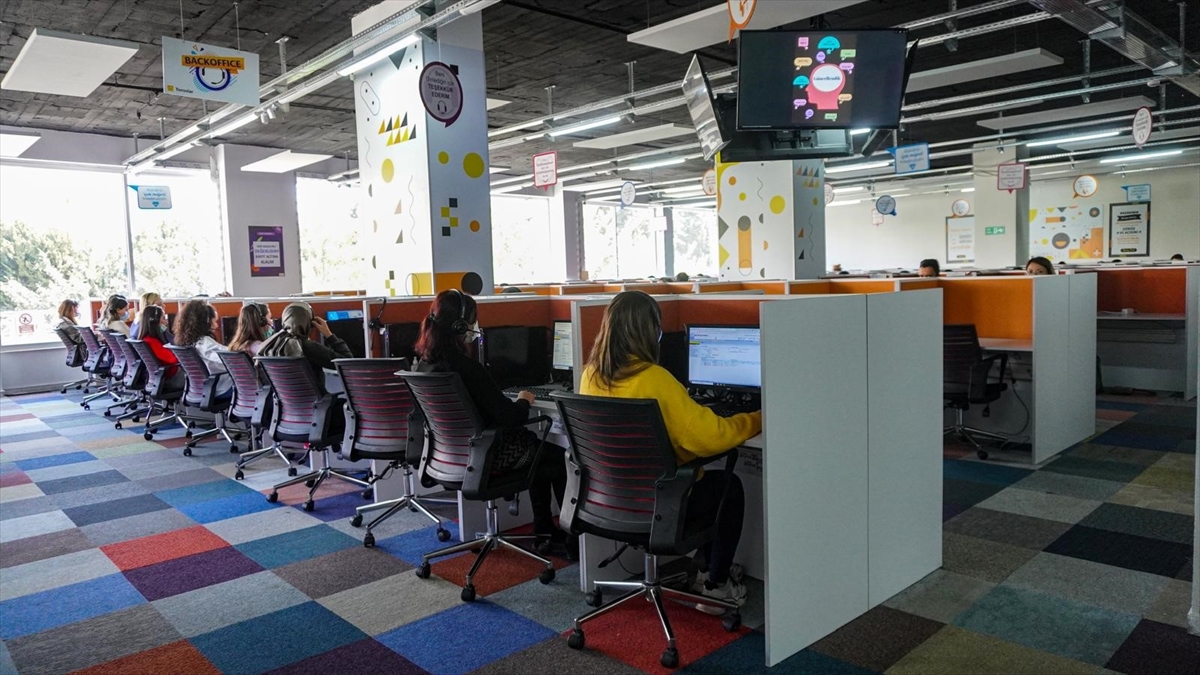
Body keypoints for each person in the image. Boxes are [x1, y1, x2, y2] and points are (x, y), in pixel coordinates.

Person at [579, 291, 759, 612]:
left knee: (704, 482)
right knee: (727, 486)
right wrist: (758, 418)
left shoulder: (590, 374)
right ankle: (717, 586)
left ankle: (704, 568)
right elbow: (712, 438)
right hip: (660, 504)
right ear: (649, 332)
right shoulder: (655, 379)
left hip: (612, 502)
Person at [411, 290, 575, 558]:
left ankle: (545, 531)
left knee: (539, 452)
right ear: (460, 326)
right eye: (472, 321)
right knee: (558, 458)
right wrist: (524, 400)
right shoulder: (467, 368)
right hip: (489, 457)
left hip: (452, 456)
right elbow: (511, 417)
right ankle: (566, 540)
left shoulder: (423, 366)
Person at [257, 302, 353, 371]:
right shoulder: (308, 347)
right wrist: (329, 335)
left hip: (282, 394)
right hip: (314, 394)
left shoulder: (270, 344)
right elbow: (347, 363)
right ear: (309, 323)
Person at [173, 299, 232, 398]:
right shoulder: (204, 343)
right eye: (214, 321)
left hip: (198, 389)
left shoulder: (188, 341)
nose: (216, 325)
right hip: (218, 388)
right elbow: (227, 358)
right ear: (206, 321)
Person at [135, 305, 184, 391]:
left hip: (159, 378)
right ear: (155, 321)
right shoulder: (152, 342)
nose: (166, 322)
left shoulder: (146, 339)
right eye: (163, 318)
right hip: (171, 379)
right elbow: (173, 360)